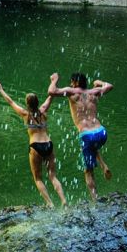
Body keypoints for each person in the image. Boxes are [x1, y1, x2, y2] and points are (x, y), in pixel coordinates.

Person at [0, 76, 67, 208]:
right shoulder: (43, 111)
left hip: (35, 146)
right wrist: (53, 82)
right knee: (52, 176)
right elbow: (51, 96)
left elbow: (10, 102)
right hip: (48, 143)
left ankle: (50, 204)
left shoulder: (24, 114)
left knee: (38, 178)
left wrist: (0, 90)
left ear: (27, 104)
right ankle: (63, 200)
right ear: (37, 102)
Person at [49, 71, 114, 201]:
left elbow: (51, 91)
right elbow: (109, 86)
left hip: (86, 135)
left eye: (71, 82)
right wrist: (99, 82)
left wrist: (54, 80)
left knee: (88, 171)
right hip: (101, 132)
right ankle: (103, 165)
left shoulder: (72, 92)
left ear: (75, 82)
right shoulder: (94, 92)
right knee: (93, 146)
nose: (70, 84)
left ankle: (95, 201)